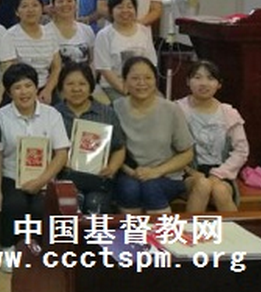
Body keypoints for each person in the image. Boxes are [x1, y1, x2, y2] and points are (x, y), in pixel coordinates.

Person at [0, 63, 69, 272]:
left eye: (28, 85)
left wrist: (41, 181)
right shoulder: (1, 116)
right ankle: (8, 247)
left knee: (39, 206)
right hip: (11, 175)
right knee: (14, 204)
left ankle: (37, 250)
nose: (23, 92)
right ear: (9, 92)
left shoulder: (52, 114)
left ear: (37, 87)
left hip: (45, 177)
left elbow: (61, 154)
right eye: (17, 87)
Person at [114, 56, 194, 214]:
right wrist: (132, 172)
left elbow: (187, 153)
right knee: (128, 188)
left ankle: (163, 236)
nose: (142, 83)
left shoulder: (171, 109)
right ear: (124, 82)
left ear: (156, 80)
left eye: (148, 78)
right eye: (135, 78)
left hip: (167, 176)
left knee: (151, 187)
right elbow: (113, 150)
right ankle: (133, 237)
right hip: (130, 173)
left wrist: (156, 172)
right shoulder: (115, 108)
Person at [177, 60, 249, 212]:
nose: (204, 83)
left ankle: (234, 235)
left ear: (219, 84)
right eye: (197, 77)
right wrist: (191, 172)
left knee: (220, 190)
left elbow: (241, 151)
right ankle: (191, 234)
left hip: (222, 173)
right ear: (188, 81)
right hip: (187, 173)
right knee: (203, 184)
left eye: (210, 78)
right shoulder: (177, 110)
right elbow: (168, 148)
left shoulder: (228, 113)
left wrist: (218, 174)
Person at [54, 62, 125, 214]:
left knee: (95, 204)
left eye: (82, 83)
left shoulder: (107, 113)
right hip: (64, 178)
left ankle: (94, 239)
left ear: (91, 86)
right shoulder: (53, 114)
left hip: (99, 179)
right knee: (72, 204)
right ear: (61, 87)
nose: (76, 89)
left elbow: (119, 148)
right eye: (70, 84)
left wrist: (111, 169)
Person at [93, 0, 157, 101]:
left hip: (142, 86)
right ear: (111, 11)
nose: (125, 11)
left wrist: (143, 87)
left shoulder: (144, 32)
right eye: (120, 7)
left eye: (129, 7)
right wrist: (125, 90)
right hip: (113, 87)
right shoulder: (104, 35)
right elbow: (105, 69)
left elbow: (151, 63)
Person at [6, 0, 61, 104]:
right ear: (17, 11)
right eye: (24, 6)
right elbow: (10, 70)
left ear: (42, 9)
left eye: (35, 5)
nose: (30, 10)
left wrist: (48, 90)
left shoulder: (50, 33)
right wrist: (29, 93)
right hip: (20, 90)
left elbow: (56, 67)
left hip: (46, 88)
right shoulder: (10, 35)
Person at [44, 0, 96, 66]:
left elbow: (93, 61)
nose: (65, 4)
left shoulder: (87, 30)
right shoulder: (45, 32)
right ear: (53, 6)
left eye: (69, 1)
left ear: (76, 4)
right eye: (60, 1)